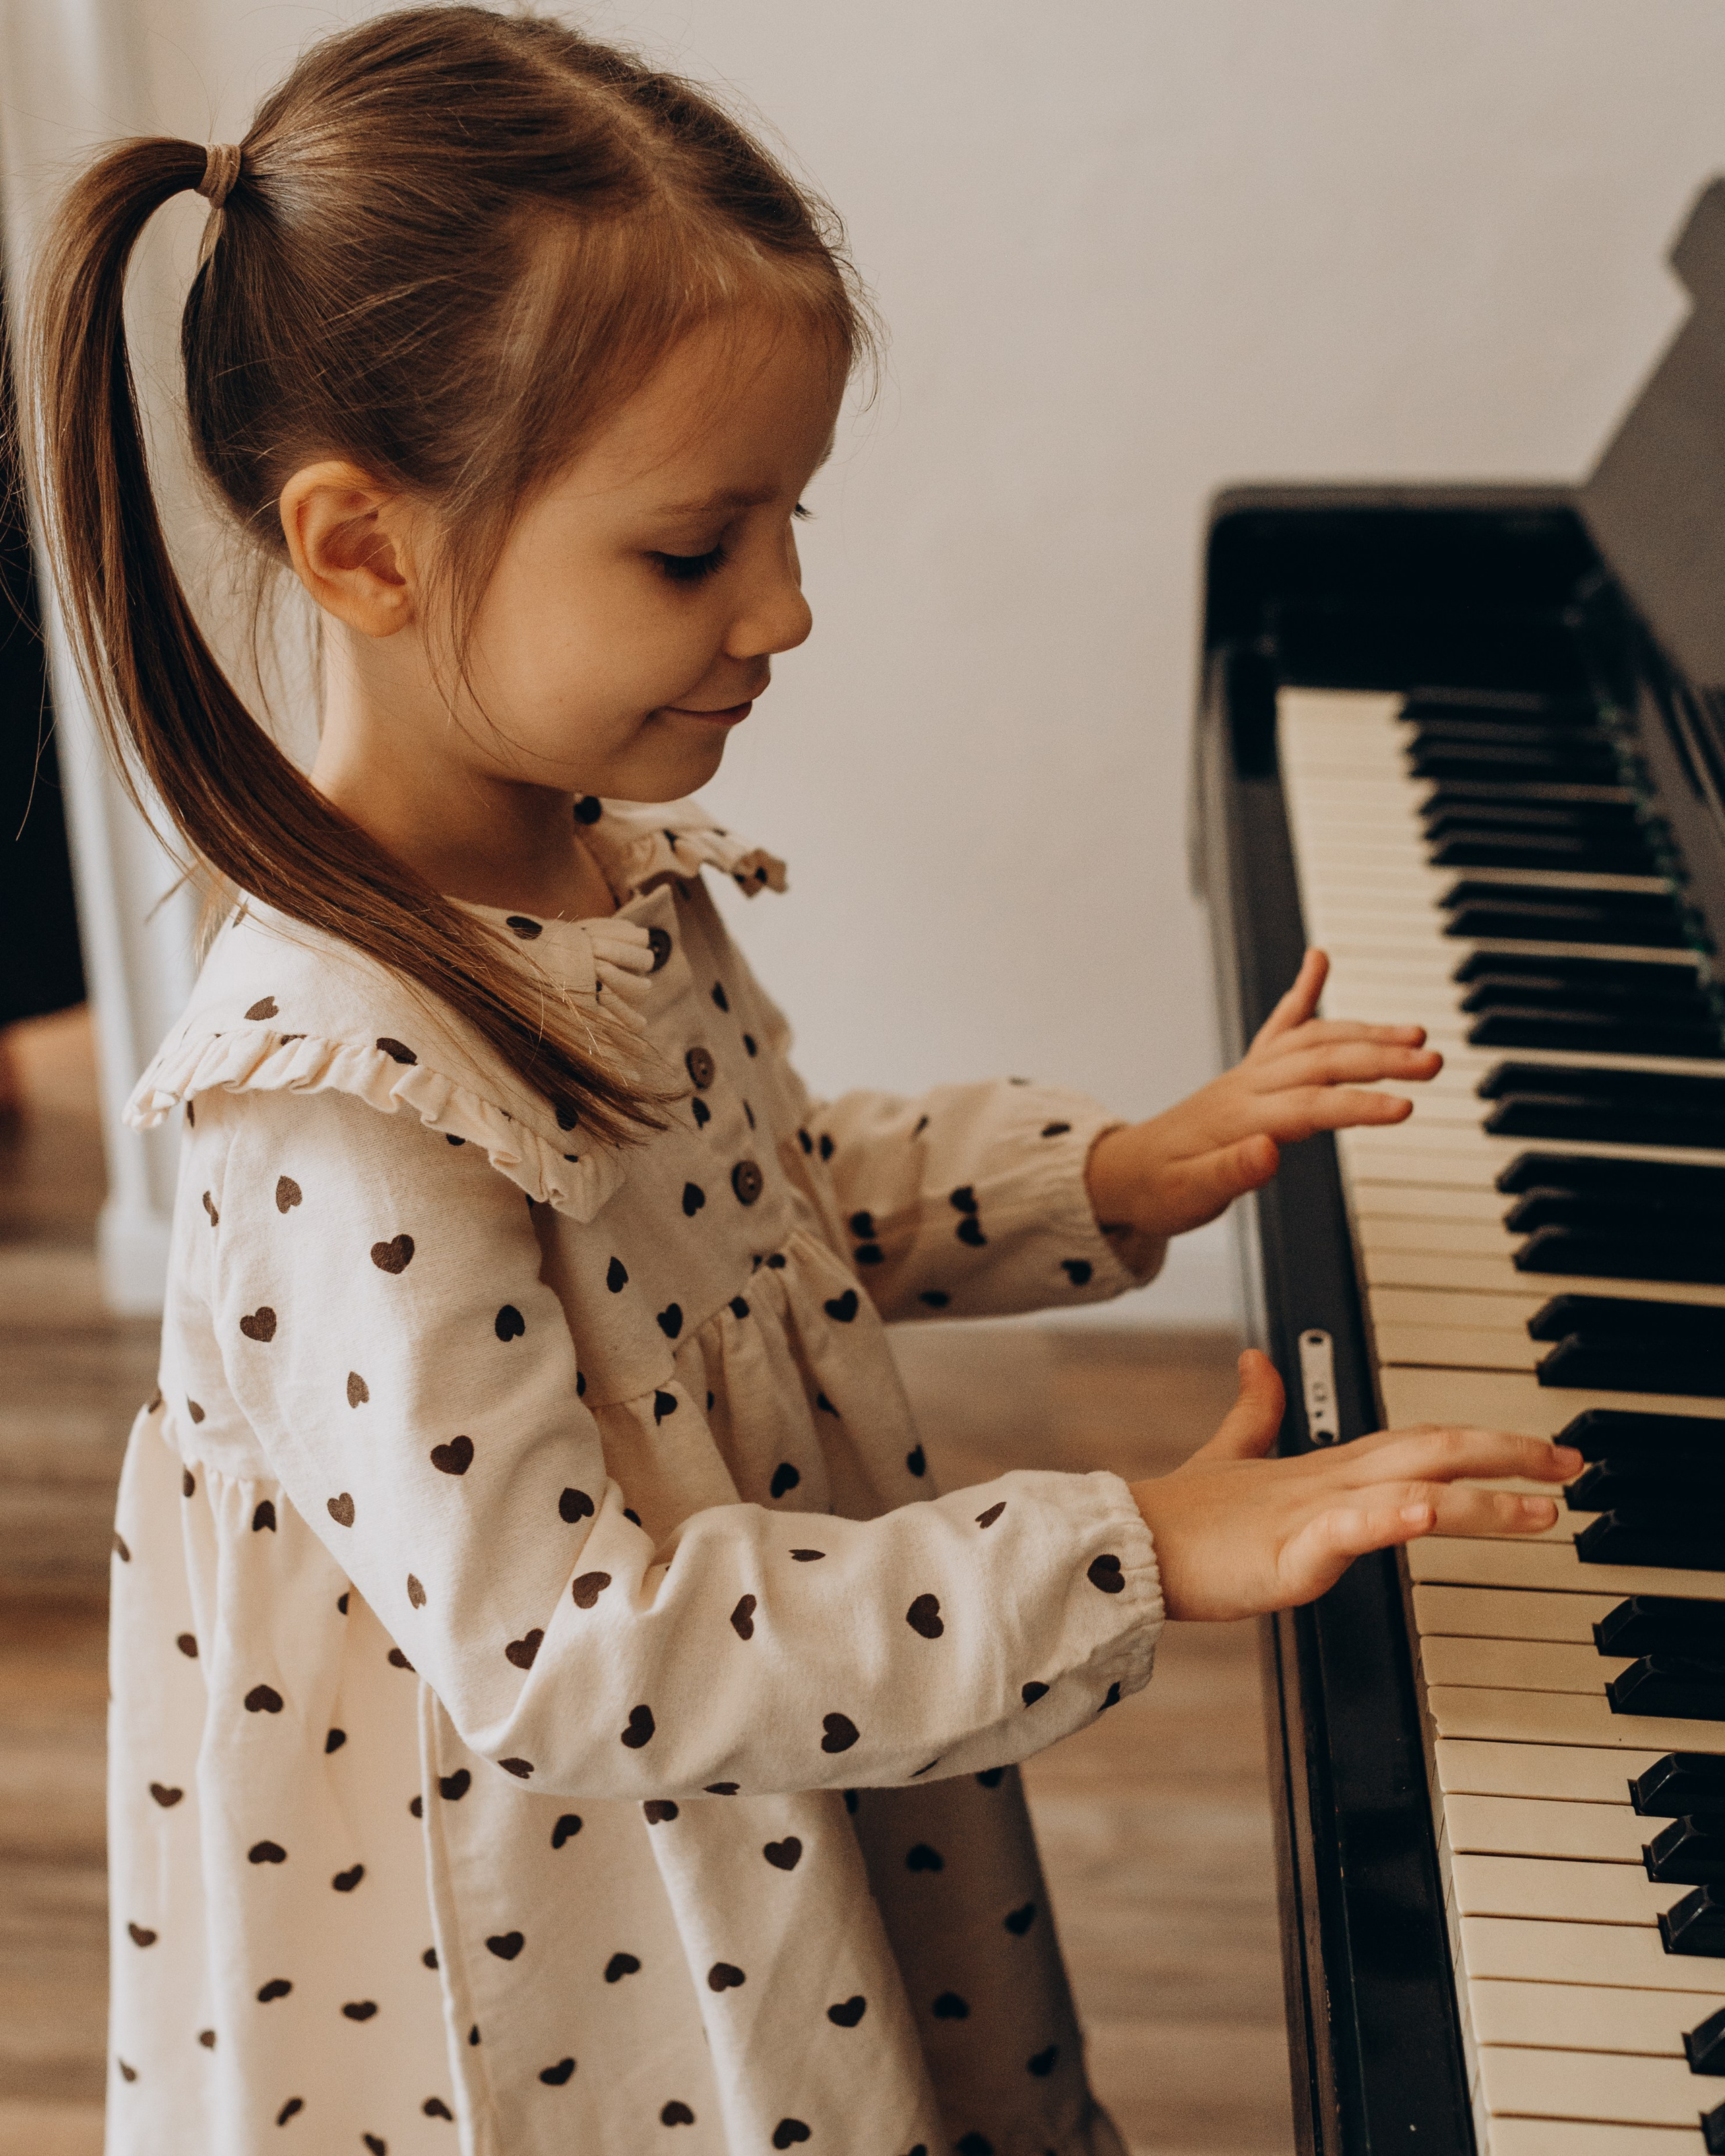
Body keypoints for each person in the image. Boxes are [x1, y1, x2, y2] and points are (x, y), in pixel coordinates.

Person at [22, 11, 1569, 2152]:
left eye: (791, 519)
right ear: (364, 550)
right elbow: (571, 1652)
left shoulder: (589, 869)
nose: (790, 606)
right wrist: (1132, 1547)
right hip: (579, 1938)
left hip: (774, 1785)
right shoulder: (339, 1093)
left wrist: (1107, 1172)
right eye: (694, 549)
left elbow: (751, 1214)